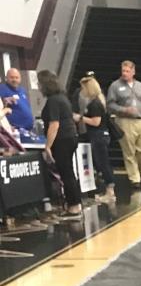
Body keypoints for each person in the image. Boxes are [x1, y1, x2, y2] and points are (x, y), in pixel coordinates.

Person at [37, 70, 83, 220]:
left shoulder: (53, 101)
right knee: (69, 172)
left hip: (62, 139)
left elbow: (54, 124)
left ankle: (74, 207)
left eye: (39, 83)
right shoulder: (63, 98)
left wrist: (48, 146)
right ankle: (76, 203)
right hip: (70, 137)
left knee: (66, 173)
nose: (38, 86)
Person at [107, 60, 141, 185]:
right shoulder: (115, 86)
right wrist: (124, 109)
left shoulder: (140, 86)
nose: (125, 73)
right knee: (129, 151)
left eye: (127, 71)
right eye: (123, 71)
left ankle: (137, 171)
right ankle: (135, 179)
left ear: (133, 72)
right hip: (124, 120)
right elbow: (110, 104)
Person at [77, 75, 116, 202]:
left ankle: (110, 192)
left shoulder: (95, 104)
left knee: (103, 163)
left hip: (98, 135)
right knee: (102, 162)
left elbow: (96, 121)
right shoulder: (97, 101)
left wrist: (81, 118)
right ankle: (109, 190)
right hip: (99, 135)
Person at [2, 68, 35, 133]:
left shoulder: (22, 90)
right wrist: (4, 101)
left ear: (20, 79)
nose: (14, 80)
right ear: (6, 78)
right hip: (14, 130)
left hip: (28, 130)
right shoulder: (2, 88)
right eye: (12, 77)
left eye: (16, 77)